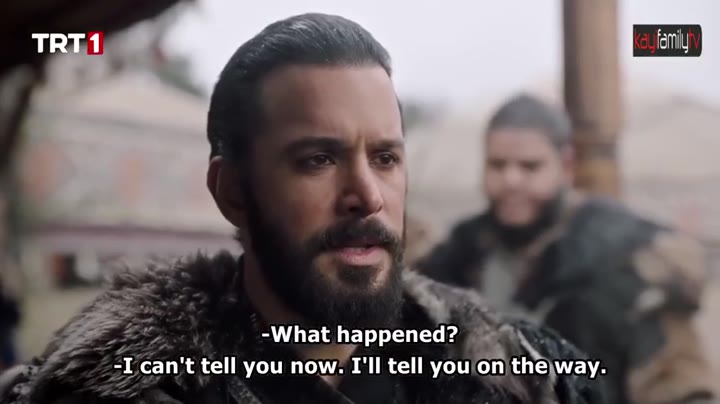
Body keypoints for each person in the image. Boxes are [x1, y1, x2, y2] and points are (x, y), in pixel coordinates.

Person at [0, 15, 606, 404]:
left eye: (386, 158)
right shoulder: (126, 387)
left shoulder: (507, 372)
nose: (367, 194)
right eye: (318, 159)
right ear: (233, 192)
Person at [416, 94, 718, 404]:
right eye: (497, 165)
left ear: (567, 166)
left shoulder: (621, 260)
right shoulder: (463, 251)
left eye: (530, 166)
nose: (511, 180)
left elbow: (679, 386)